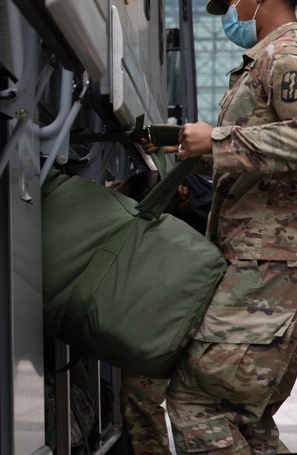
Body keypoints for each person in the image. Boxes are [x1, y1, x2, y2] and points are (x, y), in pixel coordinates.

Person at [143, 0, 297, 454]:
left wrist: (218, 140)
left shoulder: (290, 51)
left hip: (278, 260)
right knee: (246, 420)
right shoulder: (265, 58)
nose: (227, 11)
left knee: (199, 402)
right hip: (271, 258)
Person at [111, 170, 212, 454]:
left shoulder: (194, 213)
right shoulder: (197, 188)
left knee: (141, 394)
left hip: (186, 316)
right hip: (188, 314)